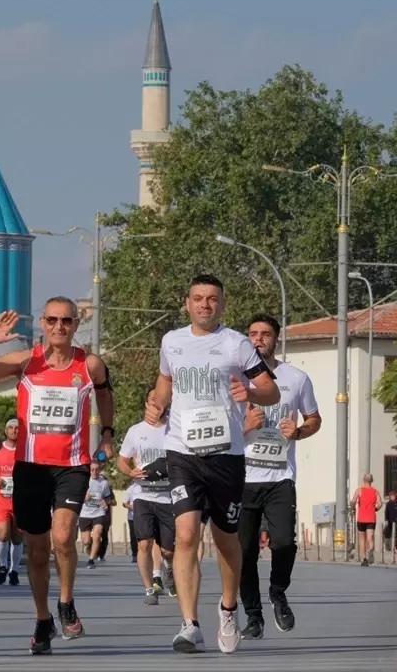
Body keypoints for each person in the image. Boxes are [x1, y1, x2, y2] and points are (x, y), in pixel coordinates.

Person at [0, 297, 115, 654]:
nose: (59, 327)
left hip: (72, 465)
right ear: (43, 324)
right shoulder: (25, 361)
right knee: (36, 550)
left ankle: (65, 602)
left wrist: (107, 432)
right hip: (30, 467)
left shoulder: (88, 364)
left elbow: (105, 395)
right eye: (52, 320)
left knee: (63, 537)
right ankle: (43, 618)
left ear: (76, 325)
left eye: (66, 321)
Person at [144, 274, 280, 655]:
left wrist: (251, 392)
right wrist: (156, 403)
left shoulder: (236, 344)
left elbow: (271, 390)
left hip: (226, 453)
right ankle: (189, 625)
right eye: (198, 298)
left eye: (212, 299)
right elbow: (165, 384)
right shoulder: (172, 341)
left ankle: (228, 608)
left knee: (224, 539)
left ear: (222, 304)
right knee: (186, 535)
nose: (205, 304)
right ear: (187, 303)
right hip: (182, 451)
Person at [237, 314, 321, 640]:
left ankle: (277, 591)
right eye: (253, 334)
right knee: (244, 551)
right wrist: (244, 427)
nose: (259, 339)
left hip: (280, 477)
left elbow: (314, 419)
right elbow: (217, 428)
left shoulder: (296, 378)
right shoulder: (234, 380)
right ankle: (254, 616)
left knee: (284, 541)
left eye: (265, 334)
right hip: (242, 478)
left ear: (276, 338)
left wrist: (298, 431)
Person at [117, 398, 177, 605]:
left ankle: (170, 570)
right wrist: (130, 471)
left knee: (168, 550)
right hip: (143, 495)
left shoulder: (173, 429)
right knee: (144, 544)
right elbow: (122, 460)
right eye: (152, 402)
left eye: (158, 403)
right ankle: (149, 588)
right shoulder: (136, 431)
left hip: (167, 496)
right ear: (146, 405)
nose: (155, 406)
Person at [0, 417, 23, 586]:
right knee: (3, 533)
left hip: (20, 500)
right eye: (11, 428)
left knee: (17, 537)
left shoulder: (24, 451)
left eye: (17, 428)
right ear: (6, 431)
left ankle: (14, 570)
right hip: (0, 499)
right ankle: (3, 566)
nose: (14, 431)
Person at [77, 462, 113, 568]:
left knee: (98, 535)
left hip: (98, 513)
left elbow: (109, 498)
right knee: (86, 541)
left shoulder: (104, 483)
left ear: (100, 470)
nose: (94, 472)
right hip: (84, 513)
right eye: (92, 470)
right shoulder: (83, 481)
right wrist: (84, 497)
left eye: (97, 470)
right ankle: (91, 541)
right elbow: (76, 496)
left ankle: (91, 560)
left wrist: (105, 501)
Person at [350, 474, 382, 566]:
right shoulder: (375, 492)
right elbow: (379, 504)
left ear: (363, 480)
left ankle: (364, 559)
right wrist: (375, 509)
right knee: (370, 537)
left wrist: (353, 507)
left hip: (361, 518)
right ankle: (370, 549)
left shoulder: (359, 490)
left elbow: (353, 501)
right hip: (371, 518)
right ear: (371, 481)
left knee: (361, 539)